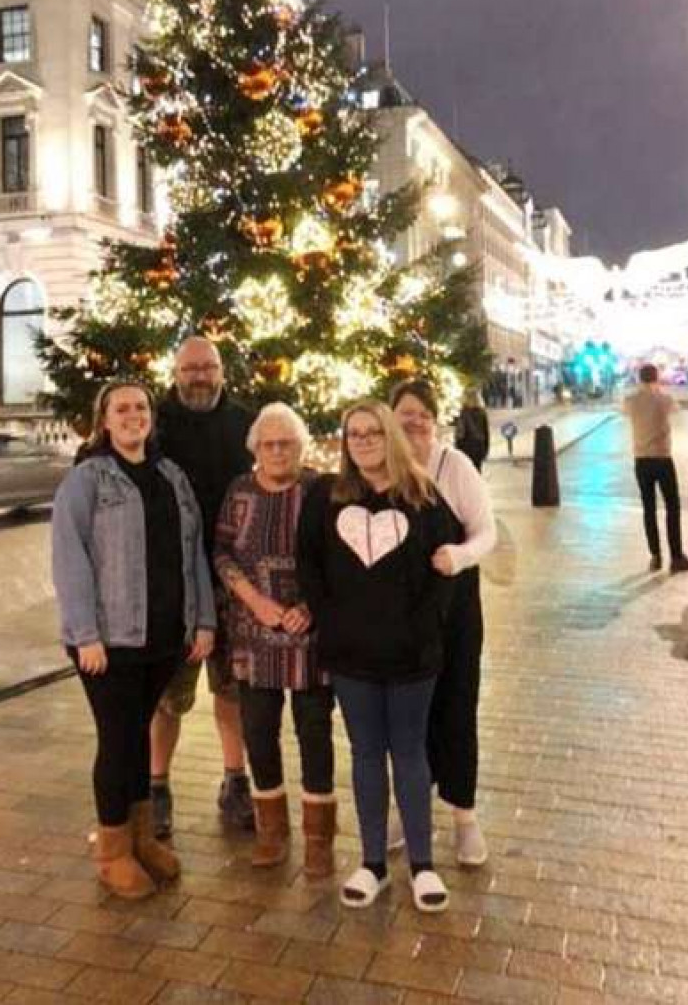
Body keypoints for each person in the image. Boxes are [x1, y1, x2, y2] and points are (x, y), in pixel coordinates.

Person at [51, 381, 216, 898]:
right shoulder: (88, 480)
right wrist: (85, 635)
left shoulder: (172, 477)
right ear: (105, 420)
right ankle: (113, 851)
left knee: (138, 736)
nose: (133, 415)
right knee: (117, 740)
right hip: (108, 641)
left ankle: (142, 838)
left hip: (164, 636)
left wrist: (204, 621)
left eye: (141, 407)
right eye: (121, 408)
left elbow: (194, 554)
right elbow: (69, 558)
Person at [296, 401, 459, 914]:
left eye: (371, 432)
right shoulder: (326, 496)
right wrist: (332, 622)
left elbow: (445, 571)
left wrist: (425, 628)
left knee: (409, 753)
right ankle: (372, 863)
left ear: (389, 435)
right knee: (366, 754)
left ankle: (423, 864)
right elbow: (310, 566)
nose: (363, 441)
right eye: (353, 434)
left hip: (412, 655)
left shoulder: (425, 499)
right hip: (352, 655)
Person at [214, 403, 336, 875]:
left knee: (314, 733)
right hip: (254, 633)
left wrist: (309, 607)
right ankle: (271, 830)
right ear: (256, 449)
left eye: (287, 442)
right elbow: (222, 551)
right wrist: (253, 601)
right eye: (269, 444)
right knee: (260, 734)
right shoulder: (239, 491)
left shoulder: (320, 491)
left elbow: (339, 558)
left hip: (311, 635)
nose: (278, 450)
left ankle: (319, 837)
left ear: (301, 446)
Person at [150, 336, 256, 837]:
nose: (199, 376)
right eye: (190, 368)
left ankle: (235, 781)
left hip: (234, 581)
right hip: (174, 587)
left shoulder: (245, 423)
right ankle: (157, 786)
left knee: (231, 689)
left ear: (221, 371)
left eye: (208, 367)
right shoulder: (156, 425)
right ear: (175, 372)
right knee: (166, 697)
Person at [391, 379, 496, 868]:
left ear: (435, 421)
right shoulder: (381, 469)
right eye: (405, 413)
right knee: (407, 717)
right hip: (404, 616)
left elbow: (487, 532)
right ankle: (408, 806)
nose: (414, 422)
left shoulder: (454, 466)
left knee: (456, 708)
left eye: (423, 415)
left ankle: (464, 816)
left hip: (454, 613)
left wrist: (461, 553)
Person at [623, 363, 688, 573]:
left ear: (639, 378)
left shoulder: (630, 400)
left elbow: (624, 411)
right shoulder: (664, 399)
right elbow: (676, 409)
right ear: (656, 378)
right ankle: (676, 556)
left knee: (649, 509)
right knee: (672, 507)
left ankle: (655, 556)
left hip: (641, 461)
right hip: (662, 459)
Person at [454, 387, 490, 472]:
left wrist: (457, 446)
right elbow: (486, 432)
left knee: (466, 473)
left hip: (466, 447)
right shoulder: (482, 413)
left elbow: (460, 433)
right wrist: (486, 448)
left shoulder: (464, 412)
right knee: (477, 472)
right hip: (479, 447)